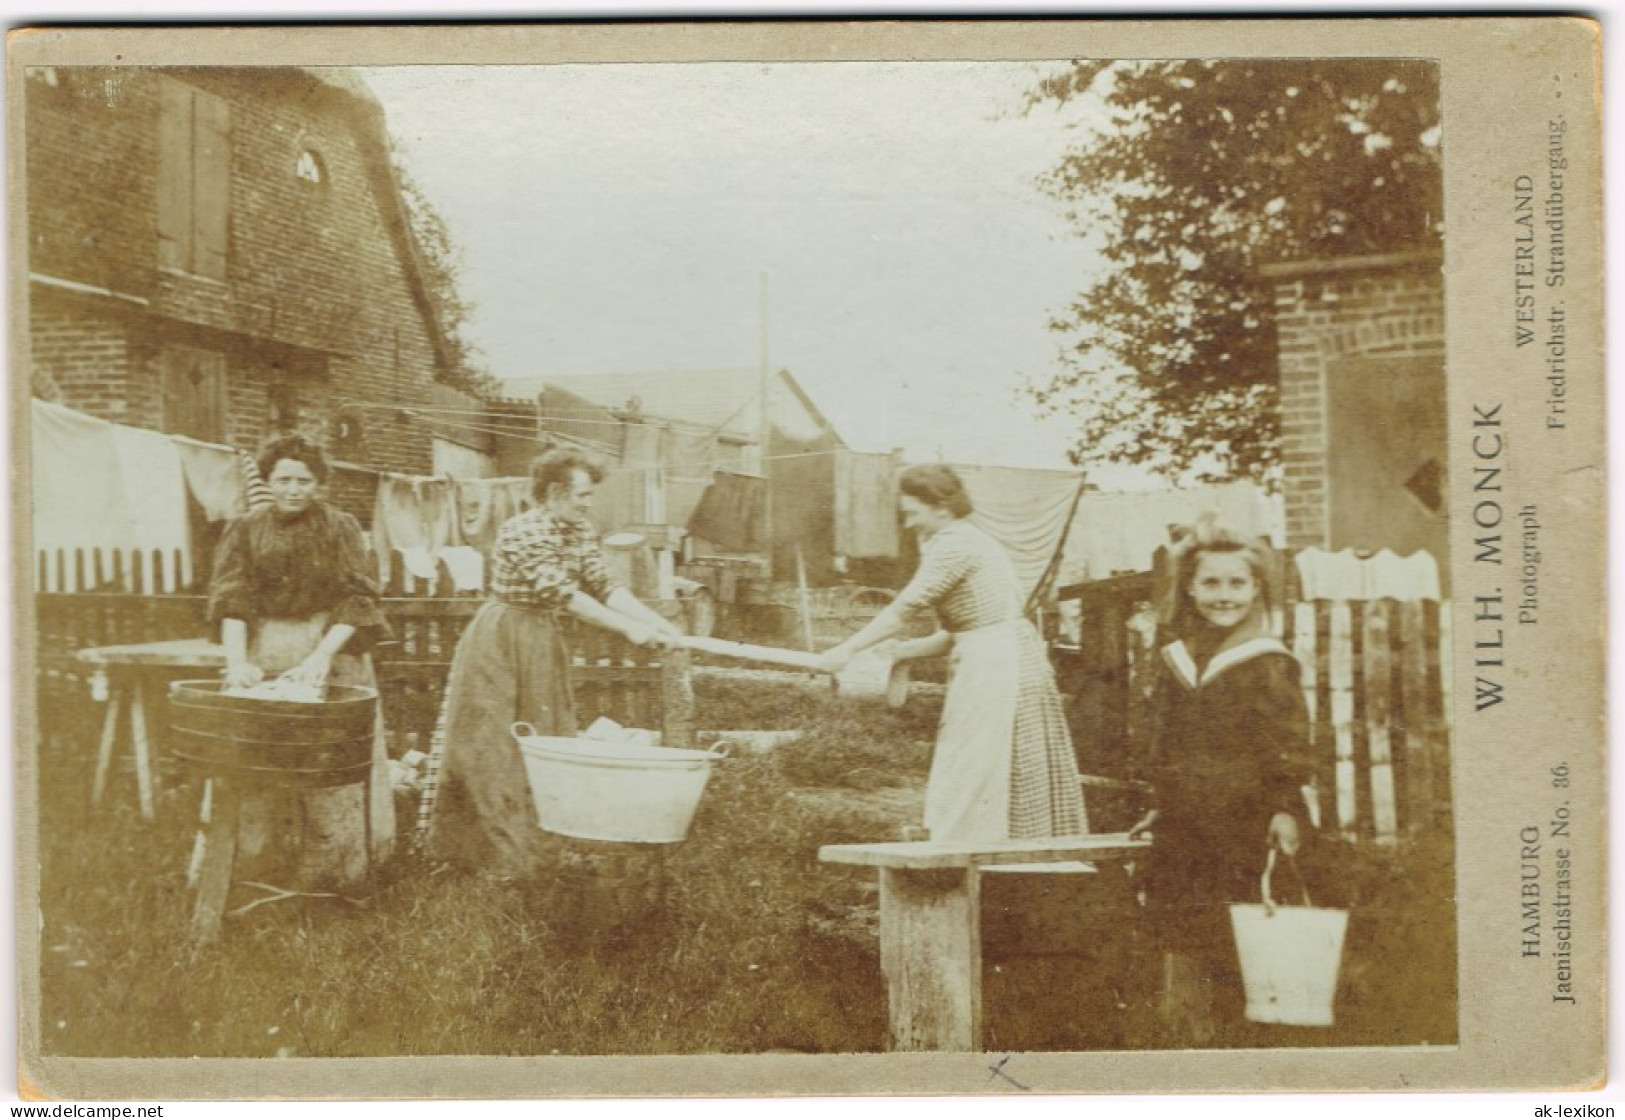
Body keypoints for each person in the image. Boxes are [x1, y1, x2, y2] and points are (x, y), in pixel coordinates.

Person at [424, 449, 683, 877]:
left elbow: (603, 586)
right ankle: (488, 860)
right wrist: (628, 630)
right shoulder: (522, 531)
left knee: (545, 741)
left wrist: (659, 625)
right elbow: (564, 594)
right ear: (556, 492)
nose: (589, 503)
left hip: (542, 640)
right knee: (490, 746)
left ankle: (538, 852)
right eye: (583, 494)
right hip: (501, 639)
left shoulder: (580, 528)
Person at [818, 464, 1087, 841]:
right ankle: (965, 846)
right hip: (990, 657)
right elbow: (957, 632)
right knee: (970, 761)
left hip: (999, 664)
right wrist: (902, 652)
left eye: (912, 513)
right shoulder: (960, 540)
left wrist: (844, 650)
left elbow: (904, 609)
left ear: (941, 506)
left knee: (979, 764)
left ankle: (971, 853)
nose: (908, 524)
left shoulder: (956, 545)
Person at [1127, 526, 1316, 1045]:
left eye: (1238, 583)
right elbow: (1165, 740)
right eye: (1211, 583)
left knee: (1246, 925)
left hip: (1246, 818)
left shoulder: (1267, 661)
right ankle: (1189, 1032)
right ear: (1190, 589)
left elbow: (1287, 742)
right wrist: (1161, 804)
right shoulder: (1177, 658)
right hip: (1187, 819)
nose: (1224, 595)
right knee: (1185, 925)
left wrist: (1284, 808)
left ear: (1257, 588)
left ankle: (1252, 1039)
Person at [207, 433, 395, 885]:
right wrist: (237, 663)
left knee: (330, 759)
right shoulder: (246, 529)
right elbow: (232, 599)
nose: (294, 489)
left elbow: (357, 598)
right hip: (265, 644)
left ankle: (336, 869)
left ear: (319, 484)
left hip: (331, 643)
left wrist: (321, 657)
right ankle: (253, 863)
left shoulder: (340, 526)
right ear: (268, 481)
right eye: (284, 479)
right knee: (258, 757)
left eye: (304, 480)